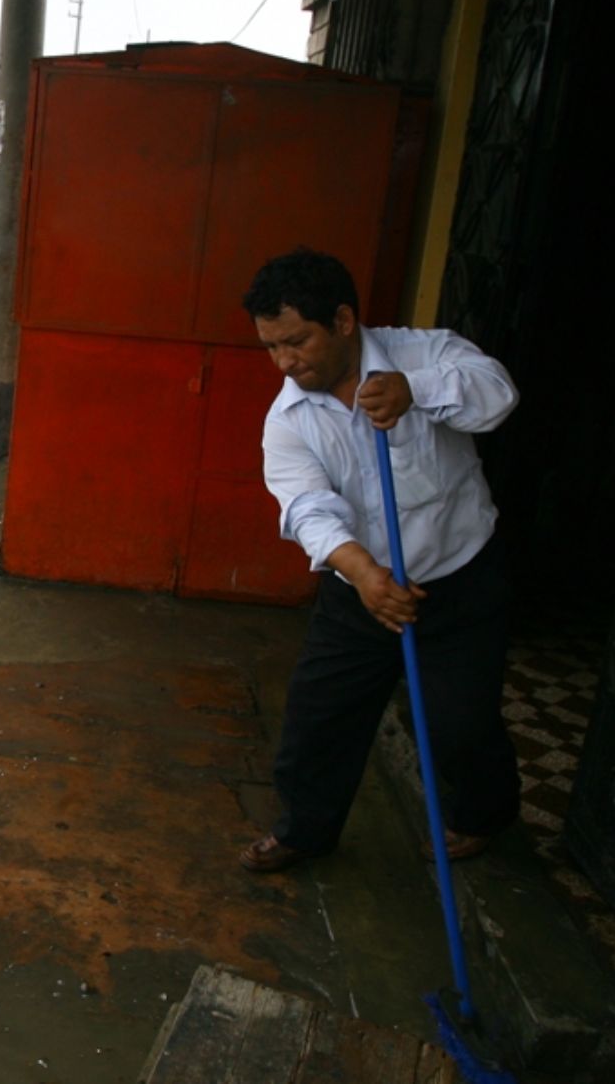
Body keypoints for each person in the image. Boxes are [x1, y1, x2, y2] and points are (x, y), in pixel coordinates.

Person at [238, 248, 522, 872]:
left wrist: (414, 392)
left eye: (296, 342)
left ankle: (482, 817)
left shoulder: (427, 354)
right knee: (317, 720)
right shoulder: (288, 417)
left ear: (342, 321)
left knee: (462, 726)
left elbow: (497, 395)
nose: (285, 362)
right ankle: (306, 831)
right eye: (271, 348)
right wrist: (363, 574)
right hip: (361, 591)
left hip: (460, 581)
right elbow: (307, 507)